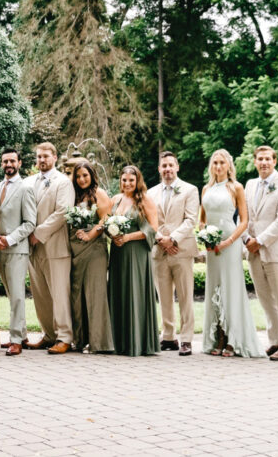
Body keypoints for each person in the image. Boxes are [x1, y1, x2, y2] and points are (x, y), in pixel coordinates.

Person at [199, 149, 261, 358]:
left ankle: (233, 340)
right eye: (215, 163)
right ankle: (219, 337)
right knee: (214, 288)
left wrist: (229, 241)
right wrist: (204, 236)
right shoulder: (206, 188)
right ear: (211, 166)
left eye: (222, 163)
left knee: (230, 289)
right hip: (211, 247)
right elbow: (202, 219)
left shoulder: (236, 187)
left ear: (229, 165)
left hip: (230, 244)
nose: (218, 167)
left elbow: (244, 221)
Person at [243, 145, 278, 361]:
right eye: (260, 159)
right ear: (255, 161)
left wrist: (261, 240)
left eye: (268, 159)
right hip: (253, 251)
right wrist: (247, 239)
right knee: (265, 299)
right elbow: (245, 216)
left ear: (274, 161)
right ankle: (274, 340)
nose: (264, 162)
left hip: (275, 251)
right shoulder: (250, 185)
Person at [147, 151, 200, 355]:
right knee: (164, 296)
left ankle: (186, 339)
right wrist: (161, 239)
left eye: (171, 165)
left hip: (181, 250)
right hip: (159, 250)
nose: (167, 169)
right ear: (159, 169)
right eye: (164, 166)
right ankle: (168, 336)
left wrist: (173, 239)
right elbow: (148, 220)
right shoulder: (150, 193)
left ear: (177, 167)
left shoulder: (190, 190)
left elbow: (190, 220)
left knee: (186, 295)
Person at [25, 142, 75, 354]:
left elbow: (63, 212)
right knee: (41, 295)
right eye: (38, 157)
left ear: (55, 157)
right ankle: (49, 334)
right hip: (32, 248)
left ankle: (64, 337)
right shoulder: (28, 182)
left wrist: (38, 234)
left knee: (59, 294)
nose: (41, 160)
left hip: (55, 247)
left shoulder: (63, 182)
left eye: (45, 156)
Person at [107, 165, 160, 356]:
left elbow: (153, 229)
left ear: (138, 181)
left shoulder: (145, 201)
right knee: (119, 291)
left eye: (131, 180)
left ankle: (137, 342)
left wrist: (128, 237)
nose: (127, 183)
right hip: (117, 253)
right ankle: (118, 341)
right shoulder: (115, 199)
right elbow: (107, 222)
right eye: (124, 180)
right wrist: (112, 235)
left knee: (134, 291)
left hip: (136, 253)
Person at [0, 148, 37, 356]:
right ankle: (23, 334)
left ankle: (16, 339)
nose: (8, 164)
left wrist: (8, 240)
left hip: (17, 249)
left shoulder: (25, 188)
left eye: (12, 161)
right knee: (10, 294)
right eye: (5, 161)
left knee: (17, 295)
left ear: (19, 163)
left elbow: (29, 223)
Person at [68, 160, 114, 354]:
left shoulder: (99, 193)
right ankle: (80, 338)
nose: (81, 179)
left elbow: (106, 218)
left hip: (95, 249)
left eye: (85, 175)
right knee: (77, 295)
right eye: (78, 176)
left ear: (92, 175)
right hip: (76, 250)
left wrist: (90, 234)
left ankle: (98, 342)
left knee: (95, 294)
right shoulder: (73, 195)